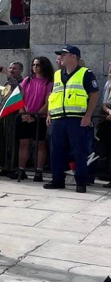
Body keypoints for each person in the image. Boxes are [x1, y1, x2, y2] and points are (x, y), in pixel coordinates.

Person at [45, 45, 100, 193]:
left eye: (64, 54)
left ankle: (81, 182)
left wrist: (88, 115)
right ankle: (57, 180)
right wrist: (50, 114)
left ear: (74, 57)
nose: (60, 57)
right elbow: (52, 96)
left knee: (79, 152)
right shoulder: (57, 74)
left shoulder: (85, 73)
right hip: (58, 119)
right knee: (56, 151)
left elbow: (94, 94)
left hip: (76, 119)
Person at [17, 56, 54, 180]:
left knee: (40, 144)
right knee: (24, 144)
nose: (35, 67)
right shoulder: (27, 80)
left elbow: (48, 102)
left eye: (38, 65)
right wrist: (24, 113)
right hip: (24, 116)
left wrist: (36, 115)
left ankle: (38, 171)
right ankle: (21, 170)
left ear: (44, 66)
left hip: (40, 117)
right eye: (33, 65)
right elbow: (20, 98)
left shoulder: (49, 82)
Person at [96, 60, 111, 184]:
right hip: (108, 119)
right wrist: (108, 111)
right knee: (107, 149)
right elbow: (104, 103)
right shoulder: (108, 83)